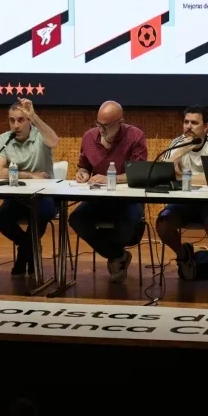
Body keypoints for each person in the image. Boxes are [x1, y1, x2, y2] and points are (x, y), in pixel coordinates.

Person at [69, 100, 148, 283]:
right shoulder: (89, 137)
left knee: (127, 227)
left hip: (127, 200)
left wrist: (110, 178)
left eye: (107, 126)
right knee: (76, 219)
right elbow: (83, 166)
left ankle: (114, 253)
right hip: (98, 199)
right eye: (99, 124)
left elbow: (138, 173)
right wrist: (83, 173)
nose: (101, 129)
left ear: (120, 123)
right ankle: (118, 255)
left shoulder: (135, 136)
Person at [155, 104, 208, 282]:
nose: (188, 126)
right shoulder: (177, 143)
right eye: (186, 122)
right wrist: (182, 150)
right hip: (184, 202)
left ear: (206, 127)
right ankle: (183, 256)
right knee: (163, 224)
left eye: (194, 123)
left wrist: (181, 176)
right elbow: (162, 173)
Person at [0, 98, 59, 278]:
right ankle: (29, 247)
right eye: (12, 120)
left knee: (40, 214)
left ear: (29, 121)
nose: (16, 125)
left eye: (21, 120)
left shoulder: (40, 136)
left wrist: (34, 116)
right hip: (18, 196)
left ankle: (23, 257)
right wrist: (30, 175)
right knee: (1, 219)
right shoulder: (3, 139)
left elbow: (54, 141)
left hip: (45, 196)